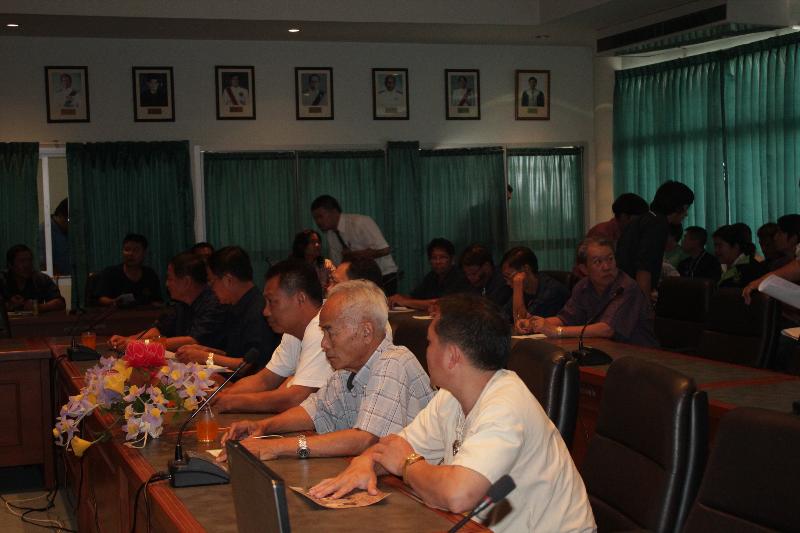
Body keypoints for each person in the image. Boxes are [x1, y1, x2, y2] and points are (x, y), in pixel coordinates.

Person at [308, 294, 595, 533]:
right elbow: (394, 446)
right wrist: (365, 462)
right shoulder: (451, 396)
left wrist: (408, 464)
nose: (426, 351)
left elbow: (458, 495)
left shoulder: (506, 406)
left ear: (452, 355)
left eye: (430, 343)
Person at [217, 280, 435, 461]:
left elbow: (365, 439)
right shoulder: (346, 371)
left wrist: (276, 447)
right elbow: (313, 412)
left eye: (330, 332)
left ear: (366, 331)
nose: (324, 344)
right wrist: (262, 427)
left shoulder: (393, 361)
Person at [211, 260, 329, 413]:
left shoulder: (322, 328)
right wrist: (221, 395)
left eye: (272, 302)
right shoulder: (293, 331)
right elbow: (265, 380)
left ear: (300, 299)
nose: (265, 311)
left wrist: (235, 402)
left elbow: (296, 398)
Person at [520, 237, 657, 347]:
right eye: (598, 262)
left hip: (639, 356)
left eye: (610, 259)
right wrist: (534, 324)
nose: (606, 267)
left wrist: (557, 331)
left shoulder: (627, 287)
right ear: (584, 269)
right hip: (603, 350)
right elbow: (565, 319)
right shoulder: (583, 286)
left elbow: (607, 329)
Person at [175, 246, 279, 371]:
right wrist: (205, 351)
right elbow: (233, 355)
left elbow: (248, 365)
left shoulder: (259, 310)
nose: (211, 289)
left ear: (228, 280)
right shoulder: (236, 305)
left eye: (212, 282)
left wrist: (206, 357)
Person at [109, 252, 227, 352]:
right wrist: (129, 339)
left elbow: (193, 340)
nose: (167, 284)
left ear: (186, 282)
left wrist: (140, 344)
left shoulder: (214, 303)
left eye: (170, 278)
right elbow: (159, 329)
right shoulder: (181, 304)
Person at [616, 180, 695, 298]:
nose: (686, 214)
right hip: (632, 295)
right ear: (678, 207)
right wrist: (645, 304)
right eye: (686, 208)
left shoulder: (646, 219)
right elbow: (644, 268)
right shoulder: (657, 224)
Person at [310, 195, 399, 294]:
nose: (318, 222)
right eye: (315, 218)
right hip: (358, 281)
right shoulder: (330, 234)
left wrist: (355, 255)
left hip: (383, 276)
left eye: (320, 216)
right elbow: (338, 263)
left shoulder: (359, 223)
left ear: (334, 212)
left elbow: (385, 249)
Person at [388, 238, 469, 311]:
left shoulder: (459, 277)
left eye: (443, 257)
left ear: (452, 259)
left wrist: (405, 302)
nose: (438, 262)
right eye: (434, 258)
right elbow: (415, 297)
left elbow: (440, 304)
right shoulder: (431, 276)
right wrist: (398, 298)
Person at [500, 246, 569, 323]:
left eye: (509, 276)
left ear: (526, 269)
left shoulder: (551, 290)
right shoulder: (525, 290)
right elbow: (503, 316)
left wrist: (517, 285)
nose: (508, 283)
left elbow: (523, 324)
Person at [96, 234, 163, 306]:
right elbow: (100, 299)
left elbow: (157, 300)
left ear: (144, 253)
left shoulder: (150, 275)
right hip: (117, 312)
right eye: (127, 250)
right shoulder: (110, 273)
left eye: (136, 250)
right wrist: (114, 302)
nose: (130, 254)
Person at [1, 244, 65, 313]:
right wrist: (9, 305)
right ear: (10, 264)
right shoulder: (2, 279)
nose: (27, 265)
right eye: (22, 261)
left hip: (34, 319)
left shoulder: (41, 279)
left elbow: (60, 303)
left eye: (30, 260)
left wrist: (38, 307)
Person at [38, 198, 70, 275]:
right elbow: (44, 263)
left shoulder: (66, 231)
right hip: (57, 279)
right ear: (61, 215)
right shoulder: (45, 231)